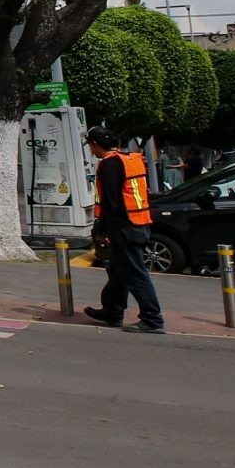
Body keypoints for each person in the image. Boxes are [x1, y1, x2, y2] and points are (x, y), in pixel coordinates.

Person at [81, 128, 165, 333]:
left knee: (135, 274)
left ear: (95, 144)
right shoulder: (130, 159)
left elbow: (112, 202)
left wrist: (103, 231)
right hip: (139, 222)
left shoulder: (109, 164)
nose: (91, 150)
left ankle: (152, 318)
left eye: (90, 146)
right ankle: (112, 310)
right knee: (119, 271)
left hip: (124, 227)